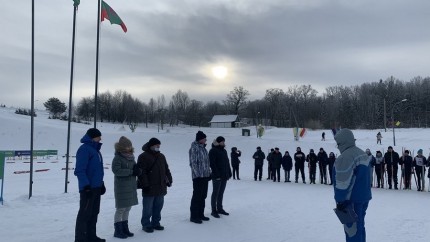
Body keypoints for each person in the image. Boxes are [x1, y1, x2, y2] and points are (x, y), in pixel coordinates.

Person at [333, 128, 372, 242]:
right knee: (359, 227)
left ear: (343, 142)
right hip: (363, 197)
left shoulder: (346, 157)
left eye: (338, 144)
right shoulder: (361, 153)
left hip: (350, 201)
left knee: (352, 231)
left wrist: (340, 200)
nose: (338, 146)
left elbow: (342, 183)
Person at [74, 128, 106, 242]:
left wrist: (101, 184)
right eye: (98, 137)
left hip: (96, 187)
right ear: (92, 137)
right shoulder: (84, 149)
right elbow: (80, 170)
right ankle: (81, 239)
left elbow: (97, 170)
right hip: (88, 189)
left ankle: (91, 236)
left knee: (94, 213)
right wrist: (86, 186)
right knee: (85, 214)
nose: (100, 139)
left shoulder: (96, 150)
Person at [137, 138, 172, 233]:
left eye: (159, 145)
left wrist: (169, 179)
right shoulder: (143, 156)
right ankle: (146, 224)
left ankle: (156, 223)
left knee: (158, 207)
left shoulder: (161, 156)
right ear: (151, 145)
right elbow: (141, 173)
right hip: (149, 187)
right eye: (157, 145)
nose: (158, 147)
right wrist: (145, 185)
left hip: (161, 186)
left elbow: (166, 169)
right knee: (147, 208)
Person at [111, 136, 140, 239]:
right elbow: (116, 170)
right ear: (121, 147)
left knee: (128, 208)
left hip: (131, 186)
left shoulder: (132, 156)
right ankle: (118, 230)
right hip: (122, 187)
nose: (128, 148)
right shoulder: (118, 157)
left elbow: (135, 167)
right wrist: (131, 172)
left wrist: (138, 170)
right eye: (126, 146)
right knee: (121, 209)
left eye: (129, 146)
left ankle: (125, 228)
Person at [189, 131, 212, 224]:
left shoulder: (203, 148)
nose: (206, 140)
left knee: (203, 196)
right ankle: (194, 216)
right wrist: (198, 175)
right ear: (200, 139)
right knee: (197, 196)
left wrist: (209, 173)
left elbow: (207, 162)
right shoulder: (194, 148)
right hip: (198, 177)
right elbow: (193, 163)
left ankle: (201, 214)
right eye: (204, 138)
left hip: (205, 176)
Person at [209, 136, 232, 218]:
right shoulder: (213, 150)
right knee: (215, 193)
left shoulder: (224, 151)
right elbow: (212, 164)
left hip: (224, 176)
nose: (224, 143)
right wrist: (217, 174)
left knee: (221, 193)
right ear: (218, 142)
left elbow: (227, 162)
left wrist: (229, 172)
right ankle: (213, 210)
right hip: (217, 176)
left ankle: (220, 208)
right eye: (222, 141)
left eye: (224, 141)